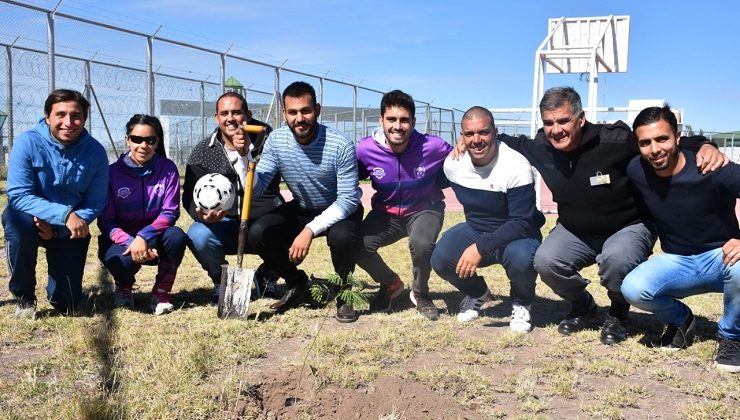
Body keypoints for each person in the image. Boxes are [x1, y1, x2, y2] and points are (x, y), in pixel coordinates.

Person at [497, 86, 724, 344]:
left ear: (580, 118)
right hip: (575, 229)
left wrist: (706, 145)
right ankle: (583, 305)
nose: (556, 130)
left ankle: (618, 313)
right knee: (546, 261)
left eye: (563, 120)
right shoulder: (541, 146)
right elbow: (503, 141)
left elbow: (658, 142)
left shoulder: (613, 140)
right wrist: (469, 141)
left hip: (627, 225)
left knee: (616, 260)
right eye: (548, 123)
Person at [621, 106, 739, 372]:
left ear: (677, 137)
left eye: (662, 139)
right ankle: (682, 320)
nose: (654, 149)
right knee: (633, 289)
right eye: (645, 142)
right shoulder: (637, 170)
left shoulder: (711, 167)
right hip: (677, 260)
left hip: (721, 257)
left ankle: (732, 337)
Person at [246, 81, 363, 323]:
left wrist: (309, 230)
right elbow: (256, 188)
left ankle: (344, 293)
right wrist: (242, 157)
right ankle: (299, 285)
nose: (300, 118)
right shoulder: (276, 141)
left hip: (340, 208)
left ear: (317, 110)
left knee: (342, 237)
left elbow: (349, 199)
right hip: (303, 206)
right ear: (284, 114)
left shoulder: (340, 144)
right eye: (292, 112)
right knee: (259, 232)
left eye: (306, 111)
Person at [431, 107, 544, 331]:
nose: (476, 140)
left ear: (495, 132)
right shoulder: (453, 164)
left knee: (522, 258)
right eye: (469, 134)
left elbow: (522, 221)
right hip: (476, 228)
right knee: (441, 258)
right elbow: (428, 183)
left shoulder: (516, 165)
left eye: (483, 132)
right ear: (461, 137)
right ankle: (478, 292)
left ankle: (522, 303)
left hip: (517, 233)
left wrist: (480, 247)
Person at [3, 89, 109, 317]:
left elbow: (95, 202)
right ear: (47, 116)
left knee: (68, 305)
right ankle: (24, 297)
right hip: (30, 217)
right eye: (60, 114)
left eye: (76, 116)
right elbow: (18, 195)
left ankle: (58, 292)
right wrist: (63, 215)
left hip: (69, 229)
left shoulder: (96, 153)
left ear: (84, 119)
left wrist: (59, 229)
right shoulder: (27, 143)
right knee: (16, 222)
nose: (68, 122)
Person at [355, 90, 451, 320]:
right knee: (356, 245)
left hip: (424, 208)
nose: (398, 126)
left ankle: (420, 292)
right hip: (385, 213)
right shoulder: (365, 149)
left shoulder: (433, 146)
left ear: (413, 122)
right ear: (381, 120)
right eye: (391, 119)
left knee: (421, 244)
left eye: (404, 120)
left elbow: (461, 157)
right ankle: (391, 284)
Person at [183, 92, 284, 303]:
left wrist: (245, 154)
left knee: (295, 228)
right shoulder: (203, 151)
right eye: (224, 113)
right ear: (216, 118)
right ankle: (222, 280)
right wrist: (201, 215)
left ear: (248, 114)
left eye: (237, 112)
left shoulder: (269, 143)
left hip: (263, 224)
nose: (231, 118)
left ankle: (266, 276)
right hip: (225, 224)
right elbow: (189, 198)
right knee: (198, 234)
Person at [97, 115, 187, 315]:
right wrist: (131, 242)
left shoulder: (168, 169)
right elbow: (106, 220)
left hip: (154, 239)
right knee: (120, 261)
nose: (143, 145)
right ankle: (124, 286)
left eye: (150, 140)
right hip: (122, 241)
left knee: (176, 236)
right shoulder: (111, 174)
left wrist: (144, 236)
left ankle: (161, 293)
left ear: (157, 142)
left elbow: (170, 211)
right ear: (127, 140)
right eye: (137, 139)